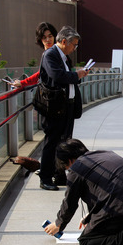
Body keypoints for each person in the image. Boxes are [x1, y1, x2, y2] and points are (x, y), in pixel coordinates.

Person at [44, 139, 123, 245]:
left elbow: (70, 203)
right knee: (106, 225)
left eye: (67, 168)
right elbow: (108, 191)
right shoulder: (106, 154)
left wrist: (58, 224)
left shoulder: (77, 167)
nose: (69, 171)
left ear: (70, 160)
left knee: (87, 240)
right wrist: (91, 217)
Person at [38, 26, 89, 191]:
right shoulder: (50, 55)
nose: (75, 48)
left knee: (65, 142)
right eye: (74, 45)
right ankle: (45, 177)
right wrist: (77, 75)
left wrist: (77, 76)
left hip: (65, 106)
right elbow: (57, 76)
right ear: (64, 41)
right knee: (52, 142)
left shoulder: (64, 57)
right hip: (54, 106)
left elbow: (66, 77)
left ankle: (59, 174)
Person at [11, 22, 57, 88]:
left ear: (54, 37)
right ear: (40, 40)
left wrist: (22, 82)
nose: (48, 40)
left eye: (50, 36)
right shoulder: (50, 52)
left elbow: (40, 74)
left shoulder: (53, 53)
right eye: (44, 38)